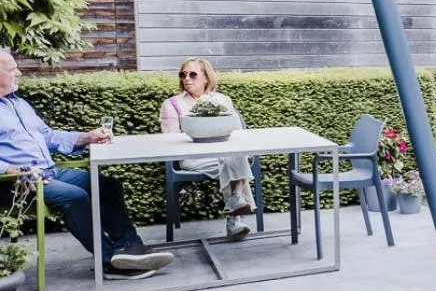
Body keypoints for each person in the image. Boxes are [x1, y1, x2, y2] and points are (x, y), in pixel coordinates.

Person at [0, 49, 173, 278]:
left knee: (107, 185)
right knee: (75, 197)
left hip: (48, 172)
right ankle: (109, 262)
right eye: (13, 69)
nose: (19, 73)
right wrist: (9, 169)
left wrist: (87, 137)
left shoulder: (19, 104)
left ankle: (129, 247)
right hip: (16, 183)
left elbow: (48, 136)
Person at [159, 57, 255, 239]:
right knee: (236, 161)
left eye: (193, 74)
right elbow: (170, 141)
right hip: (192, 157)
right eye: (183, 75)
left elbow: (237, 132)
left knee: (233, 157)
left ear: (206, 78)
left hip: (224, 154)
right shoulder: (172, 104)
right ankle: (235, 214)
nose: (187, 79)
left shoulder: (222, 100)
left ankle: (235, 203)